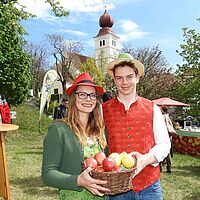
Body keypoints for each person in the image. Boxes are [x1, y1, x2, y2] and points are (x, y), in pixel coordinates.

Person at [102, 53, 171, 200]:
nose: (124, 82)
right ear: (114, 79)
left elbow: (164, 143)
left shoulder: (152, 108)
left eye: (129, 76)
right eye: (119, 78)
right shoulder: (104, 110)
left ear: (137, 77)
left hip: (149, 187)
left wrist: (146, 159)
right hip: (117, 190)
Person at [42, 73, 110, 200]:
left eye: (92, 95)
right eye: (82, 94)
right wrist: (78, 180)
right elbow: (47, 174)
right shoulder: (58, 130)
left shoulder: (101, 130)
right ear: (73, 97)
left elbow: (106, 166)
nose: (88, 99)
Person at [159, 105, 176, 173]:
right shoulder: (168, 116)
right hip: (168, 137)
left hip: (162, 136)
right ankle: (168, 168)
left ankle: (160, 167)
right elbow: (171, 126)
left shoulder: (161, 116)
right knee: (167, 153)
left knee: (160, 152)